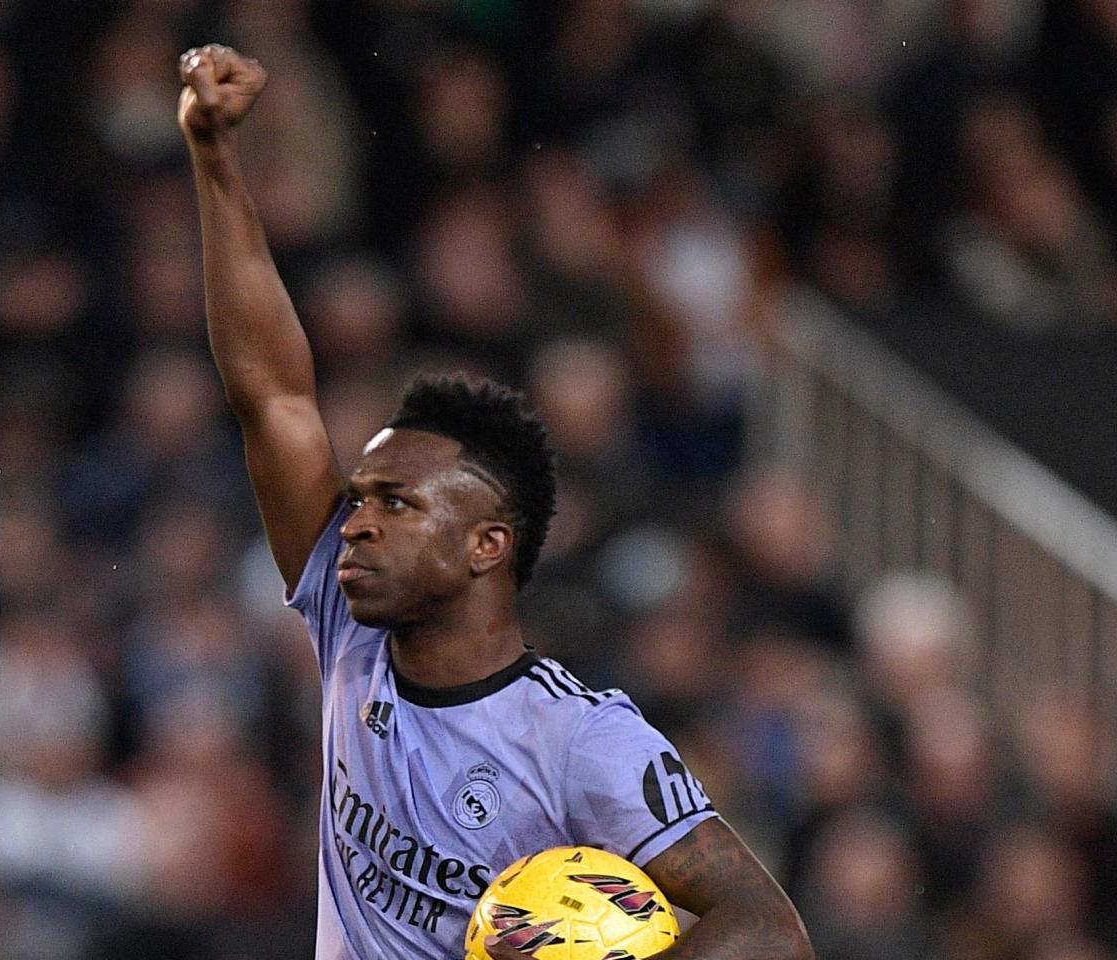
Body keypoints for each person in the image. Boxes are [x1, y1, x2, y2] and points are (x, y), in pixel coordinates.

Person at [177, 44, 814, 960]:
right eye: (358, 498)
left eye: (396, 504)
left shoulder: (582, 741)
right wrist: (214, 158)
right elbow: (271, 394)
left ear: (486, 545)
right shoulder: (349, 628)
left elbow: (771, 931)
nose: (354, 522)